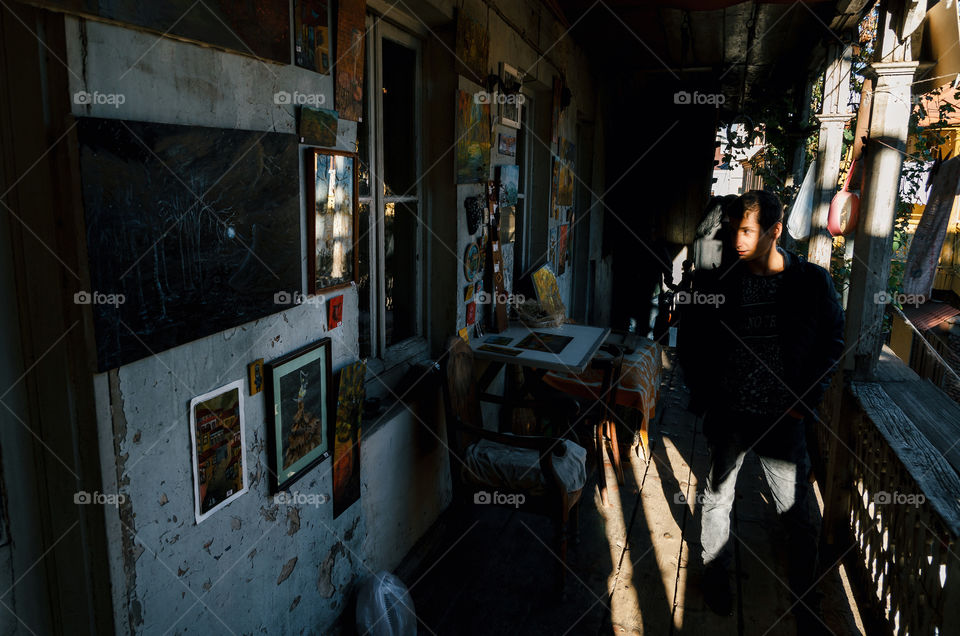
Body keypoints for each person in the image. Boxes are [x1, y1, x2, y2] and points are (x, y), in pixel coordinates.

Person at [676, 190, 845, 633]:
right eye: (734, 230)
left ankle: (805, 599)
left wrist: (804, 401)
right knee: (717, 500)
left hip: (782, 418)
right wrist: (705, 394)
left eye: (747, 231)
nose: (737, 239)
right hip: (731, 412)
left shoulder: (810, 282)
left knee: (799, 517)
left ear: (775, 230)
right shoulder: (720, 281)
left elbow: (833, 343)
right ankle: (715, 577)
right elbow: (691, 339)